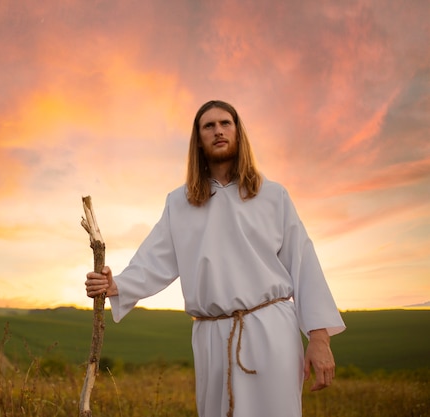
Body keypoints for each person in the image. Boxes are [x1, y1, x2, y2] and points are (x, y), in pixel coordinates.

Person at [85, 100, 346, 417]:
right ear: (198, 139)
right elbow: (153, 260)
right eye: (208, 126)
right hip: (213, 336)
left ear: (238, 133)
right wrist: (115, 286)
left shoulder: (273, 196)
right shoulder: (180, 203)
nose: (218, 130)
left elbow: (304, 265)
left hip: (272, 331)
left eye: (226, 123)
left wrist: (319, 340)